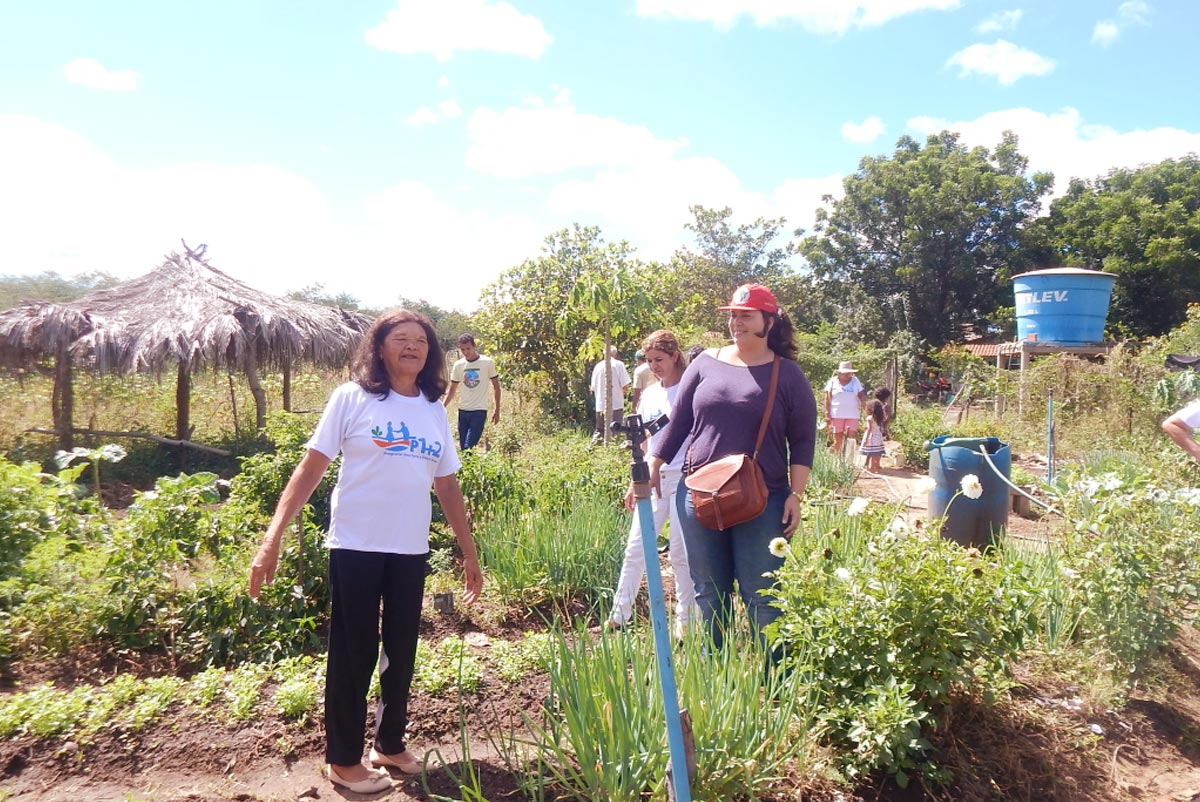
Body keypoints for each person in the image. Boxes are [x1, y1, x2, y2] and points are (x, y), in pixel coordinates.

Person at [248, 309, 484, 795]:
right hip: (355, 544)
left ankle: (390, 744)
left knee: (401, 650)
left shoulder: (432, 409)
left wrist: (469, 551)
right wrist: (272, 536)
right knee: (354, 653)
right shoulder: (352, 399)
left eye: (421, 341)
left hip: (409, 547)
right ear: (380, 348)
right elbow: (310, 468)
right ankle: (342, 761)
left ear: (431, 354)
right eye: (401, 339)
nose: (413, 347)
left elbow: (447, 484)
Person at [649, 284, 817, 650]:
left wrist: (795, 495)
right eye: (733, 315)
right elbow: (678, 423)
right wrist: (653, 464)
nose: (736, 323)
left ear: (768, 322)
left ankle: (774, 685)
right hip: (700, 497)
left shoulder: (787, 375)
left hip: (763, 499)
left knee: (764, 595)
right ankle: (717, 677)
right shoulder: (705, 363)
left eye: (746, 316)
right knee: (709, 592)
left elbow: (803, 441)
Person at [608, 330, 698, 636]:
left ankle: (685, 623)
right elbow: (645, 442)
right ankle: (619, 614)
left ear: (675, 356)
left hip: (687, 478)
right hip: (655, 478)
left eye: (659, 359)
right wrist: (637, 481)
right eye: (649, 361)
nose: (654, 366)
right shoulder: (649, 395)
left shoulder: (691, 390)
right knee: (636, 546)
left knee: (680, 554)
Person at [444, 333, 501, 451]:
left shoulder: (487, 362)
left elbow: (496, 386)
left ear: (474, 346)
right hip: (463, 410)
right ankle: (467, 469)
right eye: (462, 349)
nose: (466, 352)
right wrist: (442, 406)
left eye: (468, 348)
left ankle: (468, 469)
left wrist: (497, 409)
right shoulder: (458, 365)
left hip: (479, 411)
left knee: (468, 447)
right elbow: (452, 389)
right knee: (463, 449)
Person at [823, 361, 867, 457]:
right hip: (837, 414)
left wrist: (866, 409)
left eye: (849, 372)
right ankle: (836, 459)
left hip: (852, 414)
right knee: (838, 438)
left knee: (851, 438)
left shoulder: (855, 381)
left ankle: (848, 460)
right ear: (839, 373)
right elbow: (827, 397)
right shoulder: (833, 381)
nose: (847, 375)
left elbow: (861, 395)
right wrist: (827, 413)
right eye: (845, 373)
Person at [590, 346, 630, 439]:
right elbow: (625, 385)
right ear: (615, 354)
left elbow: (593, 387)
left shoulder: (598, 367)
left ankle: (592, 448)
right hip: (615, 403)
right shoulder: (618, 364)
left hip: (600, 404)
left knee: (600, 430)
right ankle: (613, 450)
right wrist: (621, 395)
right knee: (615, 429)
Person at [859, 398, 887, 473]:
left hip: (872, 437)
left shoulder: (870, 418)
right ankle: (875, 467)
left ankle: (871, 468)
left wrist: (866, 439)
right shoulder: (880, 418)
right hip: (878, 436)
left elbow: (869, 429)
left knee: (871, 452)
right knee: (877, 453)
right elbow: (878, 427)